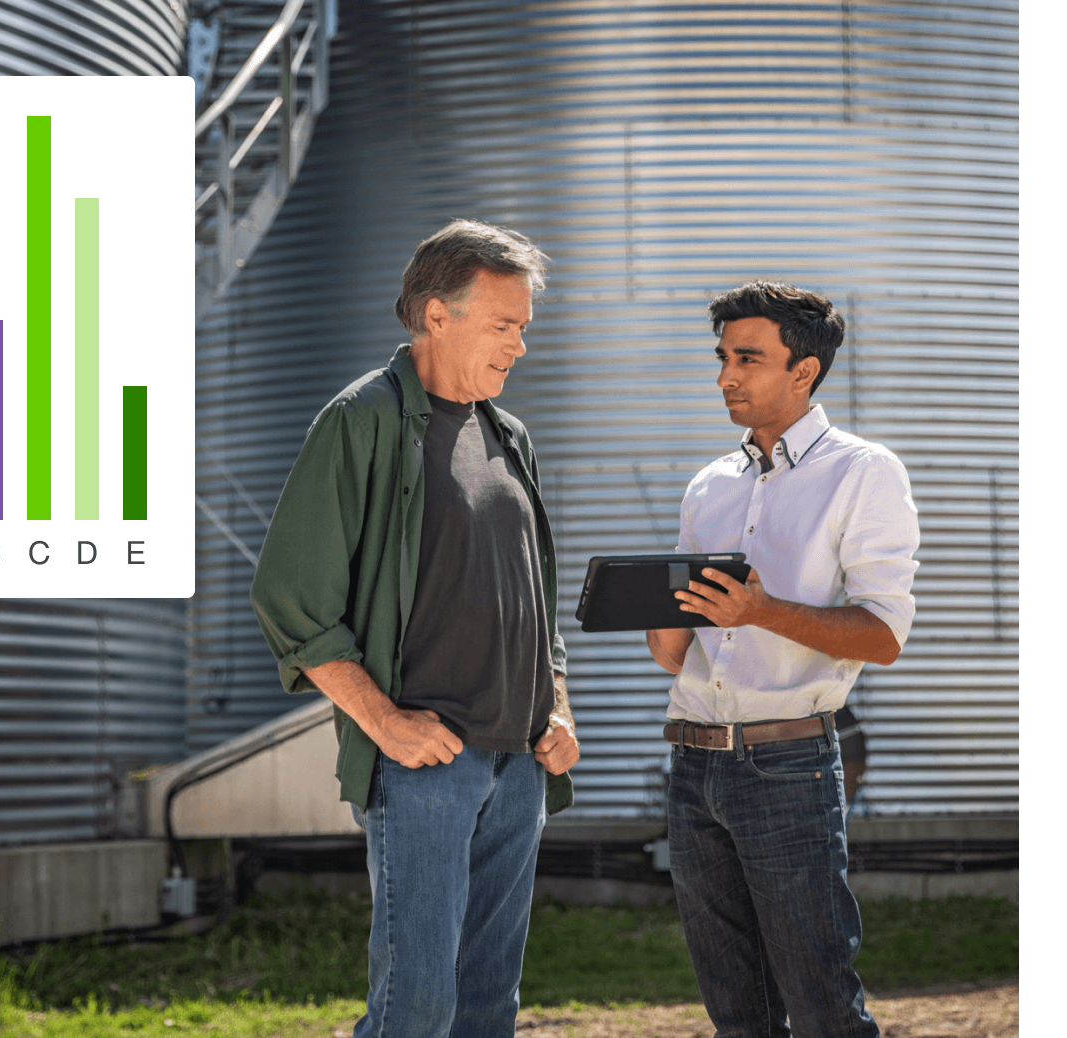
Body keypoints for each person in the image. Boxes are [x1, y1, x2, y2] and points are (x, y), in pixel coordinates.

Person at [251, 220, 580, 1038]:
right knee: (417, 1007)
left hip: (517, 763)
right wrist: (385, 722)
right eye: (505, 326)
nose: (519, 347)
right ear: (438, 315)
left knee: (487, 1007)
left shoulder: (510, 437)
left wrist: (559, 706)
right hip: (427, 766)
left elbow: (534, 596)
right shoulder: (362, 421)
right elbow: (291, 599)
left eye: (523, 329)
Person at [646, 281, 919, 1037]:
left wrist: (761, 611)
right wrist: (652, 615)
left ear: (804, 370)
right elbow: (676, 653)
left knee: (822, 1000)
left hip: (788, 766)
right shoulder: (709, 485)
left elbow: (884, 637)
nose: (726, 375)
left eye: (747, 358)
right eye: (722, 357)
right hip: (693, 767)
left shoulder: (864, 473)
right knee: (737, 1013)